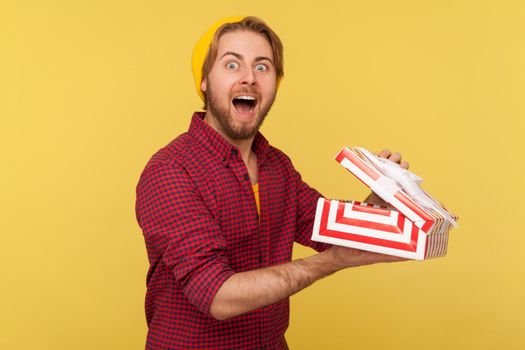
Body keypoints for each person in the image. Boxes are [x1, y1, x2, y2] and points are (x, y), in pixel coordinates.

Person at [135, 16, 409, 349]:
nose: (249, 78)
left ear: (275, 84)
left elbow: (329, 230)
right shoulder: (171, 170)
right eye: (232, 64)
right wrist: (330, 262)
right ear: (205, 80)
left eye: (262, 67)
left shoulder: (277, 166)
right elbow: (216, 295)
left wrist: (378, 202)